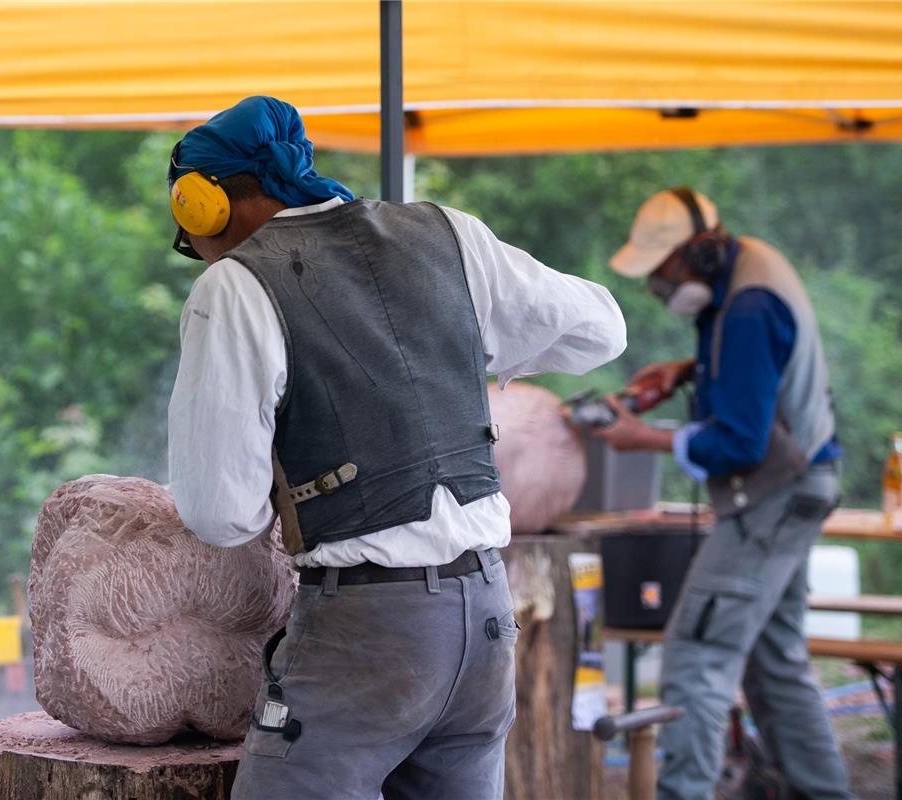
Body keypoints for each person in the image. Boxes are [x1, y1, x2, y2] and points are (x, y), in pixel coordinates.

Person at [165, 95, 626, 800]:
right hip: (484, 615)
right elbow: (600, 330)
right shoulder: (447, 233)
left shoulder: (234, 286)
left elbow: (220, 514)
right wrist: (467, 345)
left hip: (365, 630)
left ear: (203, 204)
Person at [594, 187, 852, 799]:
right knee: (776, 665)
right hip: (797, 486)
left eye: (662, 270)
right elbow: (750, 370)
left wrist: (645, 438)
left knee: (694, 657)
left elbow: (740, 442)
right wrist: (687, 370)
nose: (658, 285)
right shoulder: (743, 270)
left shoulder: (747, 307)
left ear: (700, 253)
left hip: (774, 494)